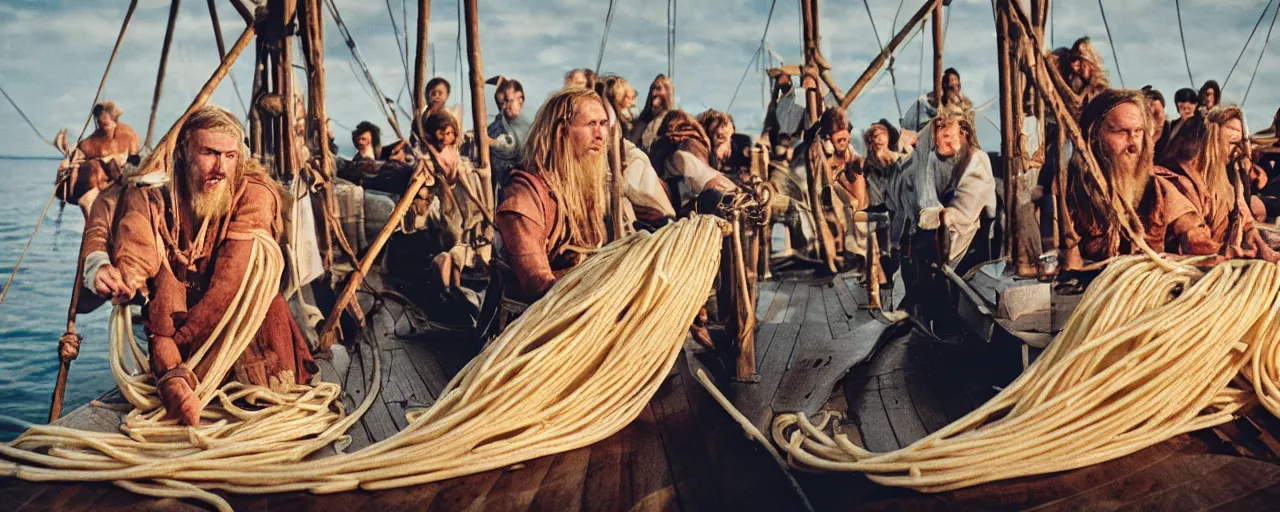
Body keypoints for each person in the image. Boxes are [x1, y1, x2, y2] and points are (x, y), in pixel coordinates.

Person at [109, 105, 315, 426]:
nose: (220, 167)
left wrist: (171, 343)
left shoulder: (255, 193)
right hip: (184, 319)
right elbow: (167, 267)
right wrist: (163, 341)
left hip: (245, 321)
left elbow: (229, 283)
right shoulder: (164, 195)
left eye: (230, 156)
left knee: (256, 397)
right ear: (183, 152)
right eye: (209, 153)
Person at [1059, 90, 1201, 267]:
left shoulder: (1158, 189)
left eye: (1138, 132)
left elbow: (1194, 236)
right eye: (1121, 132)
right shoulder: (1070, 189)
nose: (1133, 144)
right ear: (1094, 135)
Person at [496, 88, 610, 305]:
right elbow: (539, 287)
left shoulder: (585, 190)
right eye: (591, 124)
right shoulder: (523, 197)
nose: (600, 135)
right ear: (561, 131)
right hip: (536, 325)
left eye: (603, 124)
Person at [1159, 106, 1276, 260]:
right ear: (1213, 139)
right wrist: (1229, 253)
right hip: (1187, 267)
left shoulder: (1225, 182)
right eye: (1233, 143)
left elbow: (1244, 216)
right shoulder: (1177, 180)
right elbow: (1192, 238)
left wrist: (1255, 238)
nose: (1237, 151)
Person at [888, 105, 995, 270]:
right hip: (938, 244)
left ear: (964, 132)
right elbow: (924, 198)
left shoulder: (978, 160)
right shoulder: (937, 161)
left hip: (969, 246)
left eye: (946, 129)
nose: (938, 136)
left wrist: (936, 215)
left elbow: (962, 213)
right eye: (938, 128)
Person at [56, 101, 142, 215]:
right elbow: (80, 152)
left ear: (114, 119)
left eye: (105, 123)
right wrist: (69, 159)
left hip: (121, 178)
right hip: (96, 188)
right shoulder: (92, 140)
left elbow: (136, 160)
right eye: (100, 123)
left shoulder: (128, 135)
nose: (103, 127)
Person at [647, 110, 738, 214]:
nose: (728, 148)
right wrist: (742, 196)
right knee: (714, 197)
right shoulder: (682, 155)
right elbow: (713, 181)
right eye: (721, 137)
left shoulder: (687, 152)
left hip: (679, 208)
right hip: (677, 215)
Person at [488, 78, 531, 196]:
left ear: (520, 99)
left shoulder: (529, 127)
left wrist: (490, 142)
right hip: (498, 187)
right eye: (502, 102)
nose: (505, 106)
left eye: (509, 101)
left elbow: (510, 146)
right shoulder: (497, 124)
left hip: (521, 188)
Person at [627, 74, 675, 153]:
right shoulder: (642, 121)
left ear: (668, 91)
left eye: (658, 88)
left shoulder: (673, 121)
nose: (654, 93)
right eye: (652, 89)